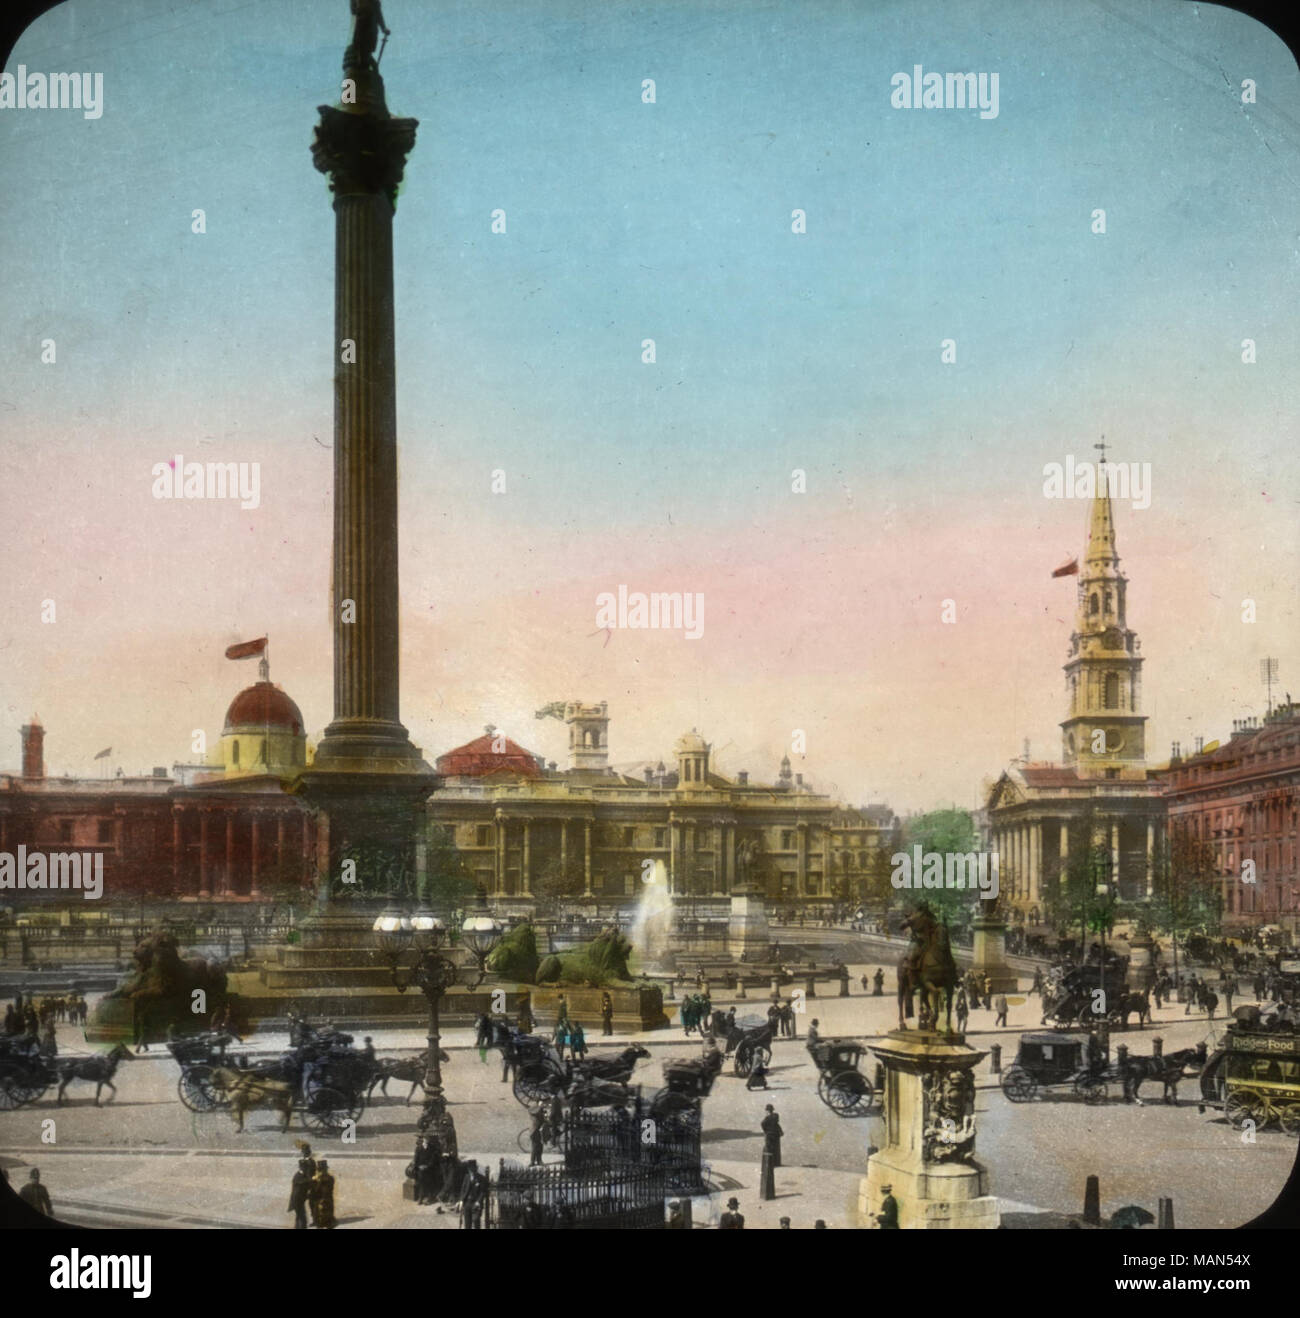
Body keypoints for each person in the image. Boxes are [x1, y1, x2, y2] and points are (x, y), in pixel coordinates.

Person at [288, 1158, 313, 1229]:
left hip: (300, 1200)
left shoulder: (304, 1175)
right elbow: (301, 1185)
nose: (307, 1169)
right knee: (302, 1218)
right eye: (305, 1167)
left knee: (299, 1217)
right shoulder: (298, 1176)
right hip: (297, 1201)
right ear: (302, 1167)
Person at [311, 1160, 336, 1230]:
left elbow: (317, 1190)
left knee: (323, 1219)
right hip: (326, 1201)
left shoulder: (324, 1179)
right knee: (325, 1219)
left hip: (323, 1201)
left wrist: (316, 1181)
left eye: (320, 1170)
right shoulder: (330, 1178)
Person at [761, 1104, 783, 1168]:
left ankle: (770, 1163)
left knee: (769, 1148)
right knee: (776, 1148)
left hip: (769, 1135)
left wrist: (766, 1131)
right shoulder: (776, 1115)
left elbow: (762, 1124)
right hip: (776, 1134)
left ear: (767, 1111)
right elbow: (777, 1123)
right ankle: (776, 1162)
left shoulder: (767, 1118)